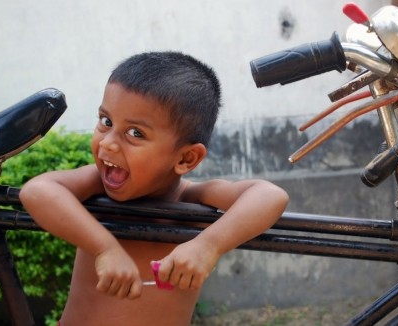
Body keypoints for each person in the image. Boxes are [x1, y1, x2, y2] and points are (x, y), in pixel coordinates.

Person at [19, 51, 289, 326]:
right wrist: (105, 249)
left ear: (186, 158)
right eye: (106, 121)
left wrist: (207, 247)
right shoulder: (95, 184)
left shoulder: (189, 197)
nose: (107, 143)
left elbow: (270, 196)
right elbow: (37, 191)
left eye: (135, 133)